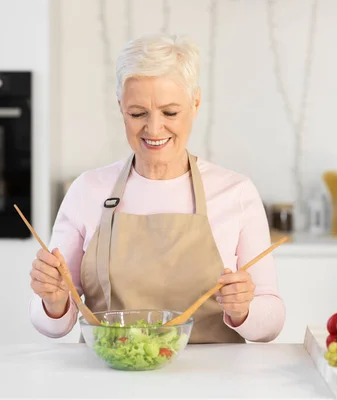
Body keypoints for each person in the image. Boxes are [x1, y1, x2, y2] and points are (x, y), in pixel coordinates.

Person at [28, 33, 285, 344]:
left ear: (196, 102)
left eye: (170, 112)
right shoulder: (88, 190)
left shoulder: (236, 192)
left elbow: (271, 322)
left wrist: (244, 311)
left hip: (214, 382)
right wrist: (53, 303)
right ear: (120, 105)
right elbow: (52, 325)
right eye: (137, 114)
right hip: (113, 380)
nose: (153, 128)